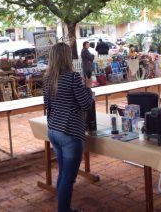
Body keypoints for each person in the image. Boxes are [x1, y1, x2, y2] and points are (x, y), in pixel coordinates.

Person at [43, 42, 93, 212]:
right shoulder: (73, 77)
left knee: (63, 173)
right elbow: (86, 104)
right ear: (66, 57)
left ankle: (64, 208)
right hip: (70, 132)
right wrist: (89, 88)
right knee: (68, 178)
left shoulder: (47, 79)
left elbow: (47, 105)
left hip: (54, 130)